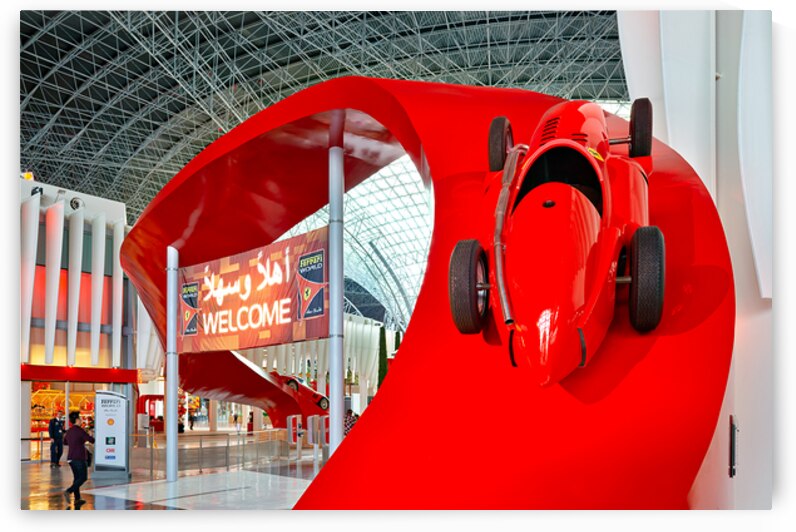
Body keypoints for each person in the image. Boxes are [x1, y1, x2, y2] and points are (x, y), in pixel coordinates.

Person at [63, 411, 94, 508]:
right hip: (79, 457)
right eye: (80, 419)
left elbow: (65, 442)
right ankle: (69, 491)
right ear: (77, 420)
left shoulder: (69, 431)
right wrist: (91, 434)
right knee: (83, 477)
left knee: (77, 478)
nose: (81, 420)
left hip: (71, 458)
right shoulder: (80, 430)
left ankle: (77, 499)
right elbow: (91, 440)